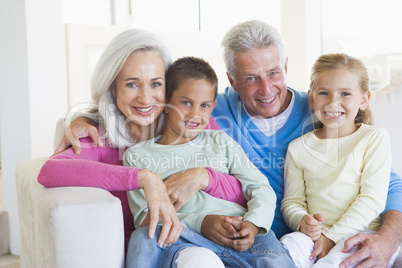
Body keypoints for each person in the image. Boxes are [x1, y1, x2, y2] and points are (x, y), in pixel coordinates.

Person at [56, 20, 402, 267]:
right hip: (225, 235)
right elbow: (158, 105)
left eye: (273, 73)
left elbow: (387, 184)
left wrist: (389, 238)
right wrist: (88, 118)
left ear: (285, 66)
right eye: (250, 78)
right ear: (231, 81)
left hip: (271, 236)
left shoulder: (323, 112)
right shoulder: (209, 112)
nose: (266, 89)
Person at [37, 28, 246, 260]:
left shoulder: (191, 124)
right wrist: (143, 178)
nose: (145, 98)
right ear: (112, 88)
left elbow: (243, 193)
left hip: (206, 250)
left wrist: (202, 177)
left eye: (156, 84)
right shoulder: (98, 137)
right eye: (132, 84)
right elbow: (50, 171)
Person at [123, 56, 295, 267]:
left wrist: (253, 223)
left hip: (239, 233)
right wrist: (201, 223)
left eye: (204, 106)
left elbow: (260, 187)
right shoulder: (139, 155)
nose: (195, 114)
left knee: (276, 261)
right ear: (166, 103)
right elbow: (144, 217)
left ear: (213, 106)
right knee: (143, 238)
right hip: (184, 238)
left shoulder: (221, 142)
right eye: (186, 103)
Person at [280, 53, 399, 267]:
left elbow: (372, 200)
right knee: (287, 246)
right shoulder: (298, 148)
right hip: (315, 237)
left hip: (362, 234)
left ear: (364, 100)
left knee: (333, 263)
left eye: (345, 94)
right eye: (324, 93)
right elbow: (292, 202)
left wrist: (331, 238)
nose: (333, 102)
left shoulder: (373, 138)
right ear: (312, 97)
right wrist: (302, 220)